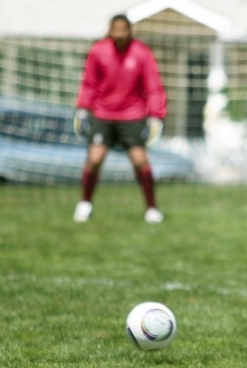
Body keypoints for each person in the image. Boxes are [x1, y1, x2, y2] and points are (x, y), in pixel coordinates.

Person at [72, 14, 166, 224]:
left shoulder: (141, 53)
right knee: (94, 159)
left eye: (124, 29)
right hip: (103, 115)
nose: (121, 33)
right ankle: (85, 204)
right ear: (110, 30)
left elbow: (153, 86)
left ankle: (152, 209)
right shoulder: (99, 51)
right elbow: (89, 82)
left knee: (140, 161)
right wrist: (83, 109)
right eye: (117, 29)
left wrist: (156, 116)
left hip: (133, 116)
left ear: (130, 30)